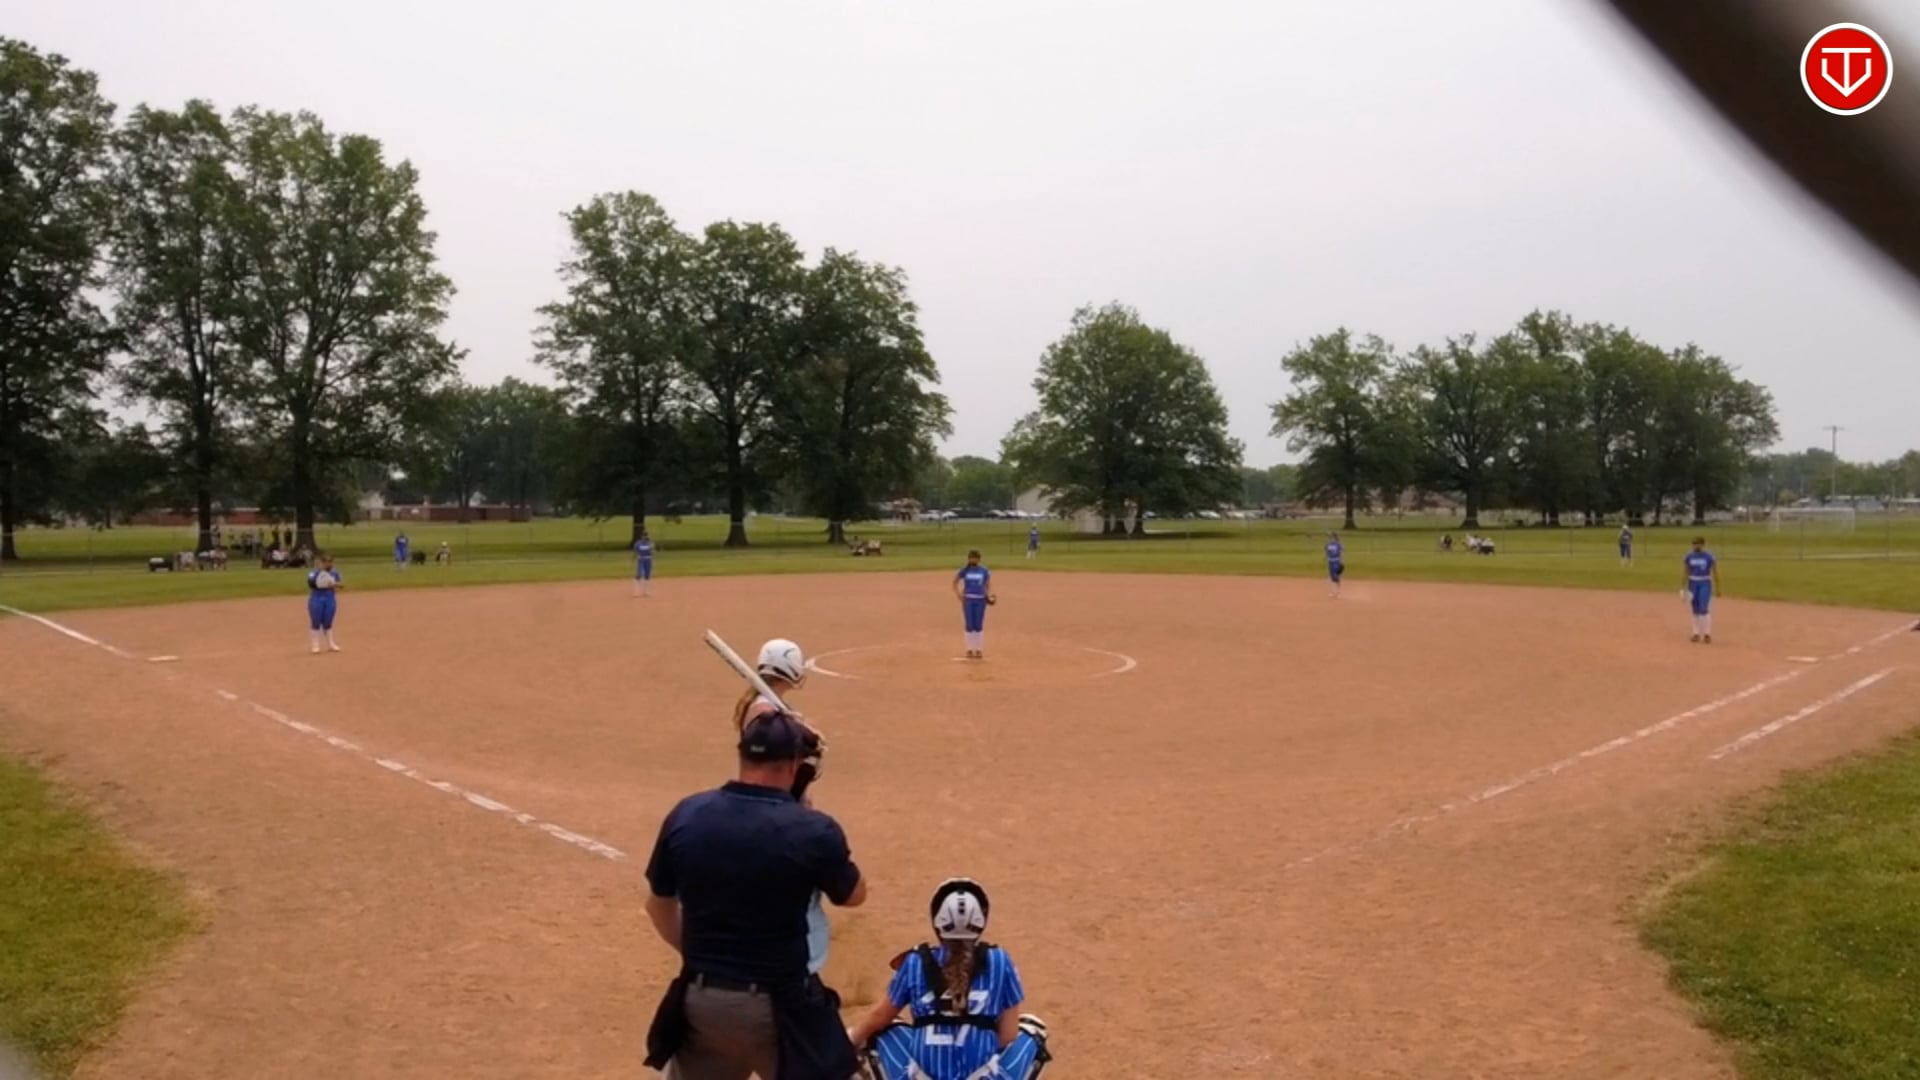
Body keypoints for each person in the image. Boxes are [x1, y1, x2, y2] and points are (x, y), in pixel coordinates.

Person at [642, 710, 867, 1080]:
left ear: (743, 756)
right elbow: (854, 895)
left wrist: (704, 956)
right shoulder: (811, 831)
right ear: (794, 765)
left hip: (701, 1000)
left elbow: (658, 906)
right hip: (779, 1008)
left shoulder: (687, 815)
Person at [846, 879, 1052, 1080]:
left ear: (938, 923)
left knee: (881, 1028)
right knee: (1033, 1029)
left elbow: (880, 1016)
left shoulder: (915, 961)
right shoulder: (999, 960)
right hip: (982, 1076)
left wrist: (849, 1039)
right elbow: (1008, 1035)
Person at [729, 639, 833, 978]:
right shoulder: (764, 712)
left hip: (779, 801)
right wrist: (804, 739)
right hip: (778, 804)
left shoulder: (765, 707)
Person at [952, 550, 995, 660]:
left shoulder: (984, 570)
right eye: (972, 558)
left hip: (980, 600)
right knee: (969, 624)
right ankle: (969, 649)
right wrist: (959, 595)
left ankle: (979, 649)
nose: (973, 560)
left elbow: (988, 584)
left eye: (975, 558)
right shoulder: (964, 570)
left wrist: (988, 595)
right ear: (969, 559)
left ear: (979, 559)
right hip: (968, 600)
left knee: (978, 625)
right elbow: (955, 582)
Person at [1682, 535, 1721, 644]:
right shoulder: (1689, 556)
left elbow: (1715, 572)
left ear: (1703, 544)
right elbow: (1686, 572)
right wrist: (1682, 587)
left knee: (1704, 608)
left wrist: (1718, 587)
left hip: (1705, 582)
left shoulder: (1709, 556)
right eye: (1694, 544)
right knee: (1695, 608)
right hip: (1692, 583)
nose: (1696, 545)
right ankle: (1696, 633)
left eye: (1698, 543)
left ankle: (1707, 634)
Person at [306, 553, 344, 654]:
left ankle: (331, 644)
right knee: (316, 620)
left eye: (330, 562)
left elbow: (341, 584)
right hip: (317, 598)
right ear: (322, 562)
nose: (328, 564)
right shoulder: (314, 572)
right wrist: (322, 582)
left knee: (328, 621)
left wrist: (333, 584)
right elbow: (310, 583)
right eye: (326, 562)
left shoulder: (335, 573)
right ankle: (315, 645)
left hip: (329, 598)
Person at [634, 529, 656, 598]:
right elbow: (636, 550)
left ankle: (645, 591)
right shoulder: (638, 543)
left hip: (648, 559)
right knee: (639, 574)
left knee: (647, 575)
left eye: (646, 535)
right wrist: (637, 555)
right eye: (644, 535)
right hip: (641, 559)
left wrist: (651, 547)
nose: (645, 536)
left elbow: (652, 552)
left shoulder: (650, 543)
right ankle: (637, 591)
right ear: (641, 536)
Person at [1324, 531, 1344, 598]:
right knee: (1331, 577)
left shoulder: (1338, 545)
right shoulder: (1328, 545)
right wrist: (1325, 557)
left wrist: (1341, 561)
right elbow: (1327, 552)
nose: (1331, 539)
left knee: (1336, 576)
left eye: (1333, 537)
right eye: (1330, 537)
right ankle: (1333, 592)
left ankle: (1338, 592)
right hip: (1330, 562)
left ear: (1335, 538)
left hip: (1336, 562)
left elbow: (1341, 553)